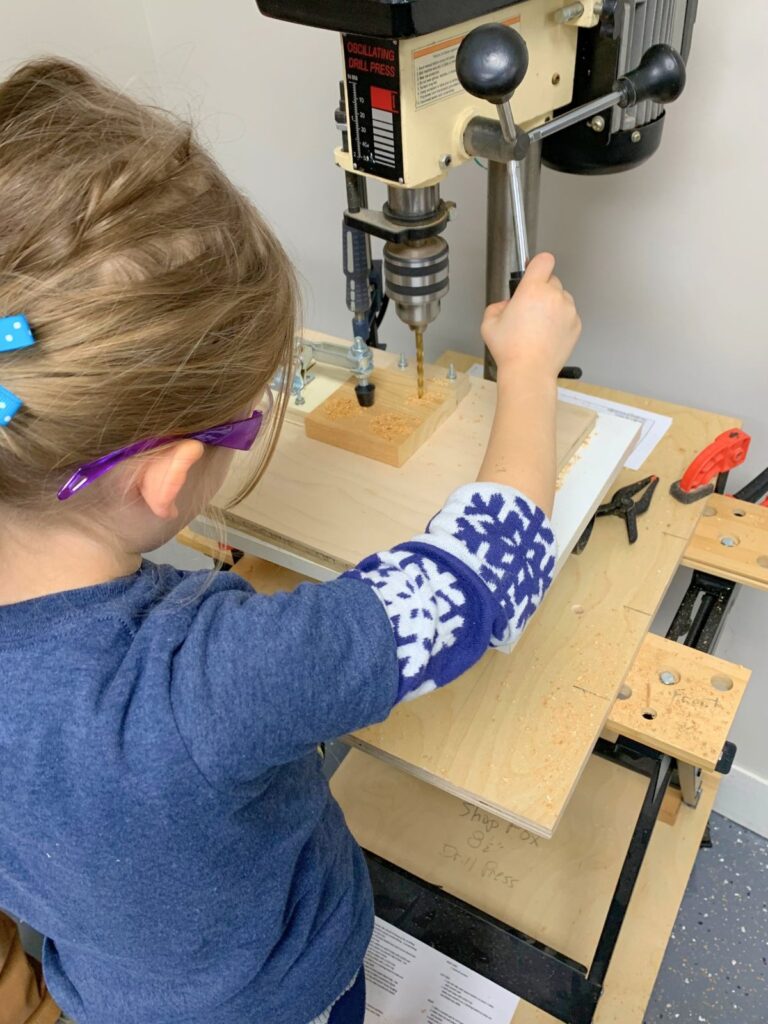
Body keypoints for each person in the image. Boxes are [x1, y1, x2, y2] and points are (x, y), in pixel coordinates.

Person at [0, 58, 581, 1024]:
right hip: (282, 995)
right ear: (172, 477)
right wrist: (529, 370)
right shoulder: (211, 684)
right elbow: (491, 568)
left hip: (108, 994)